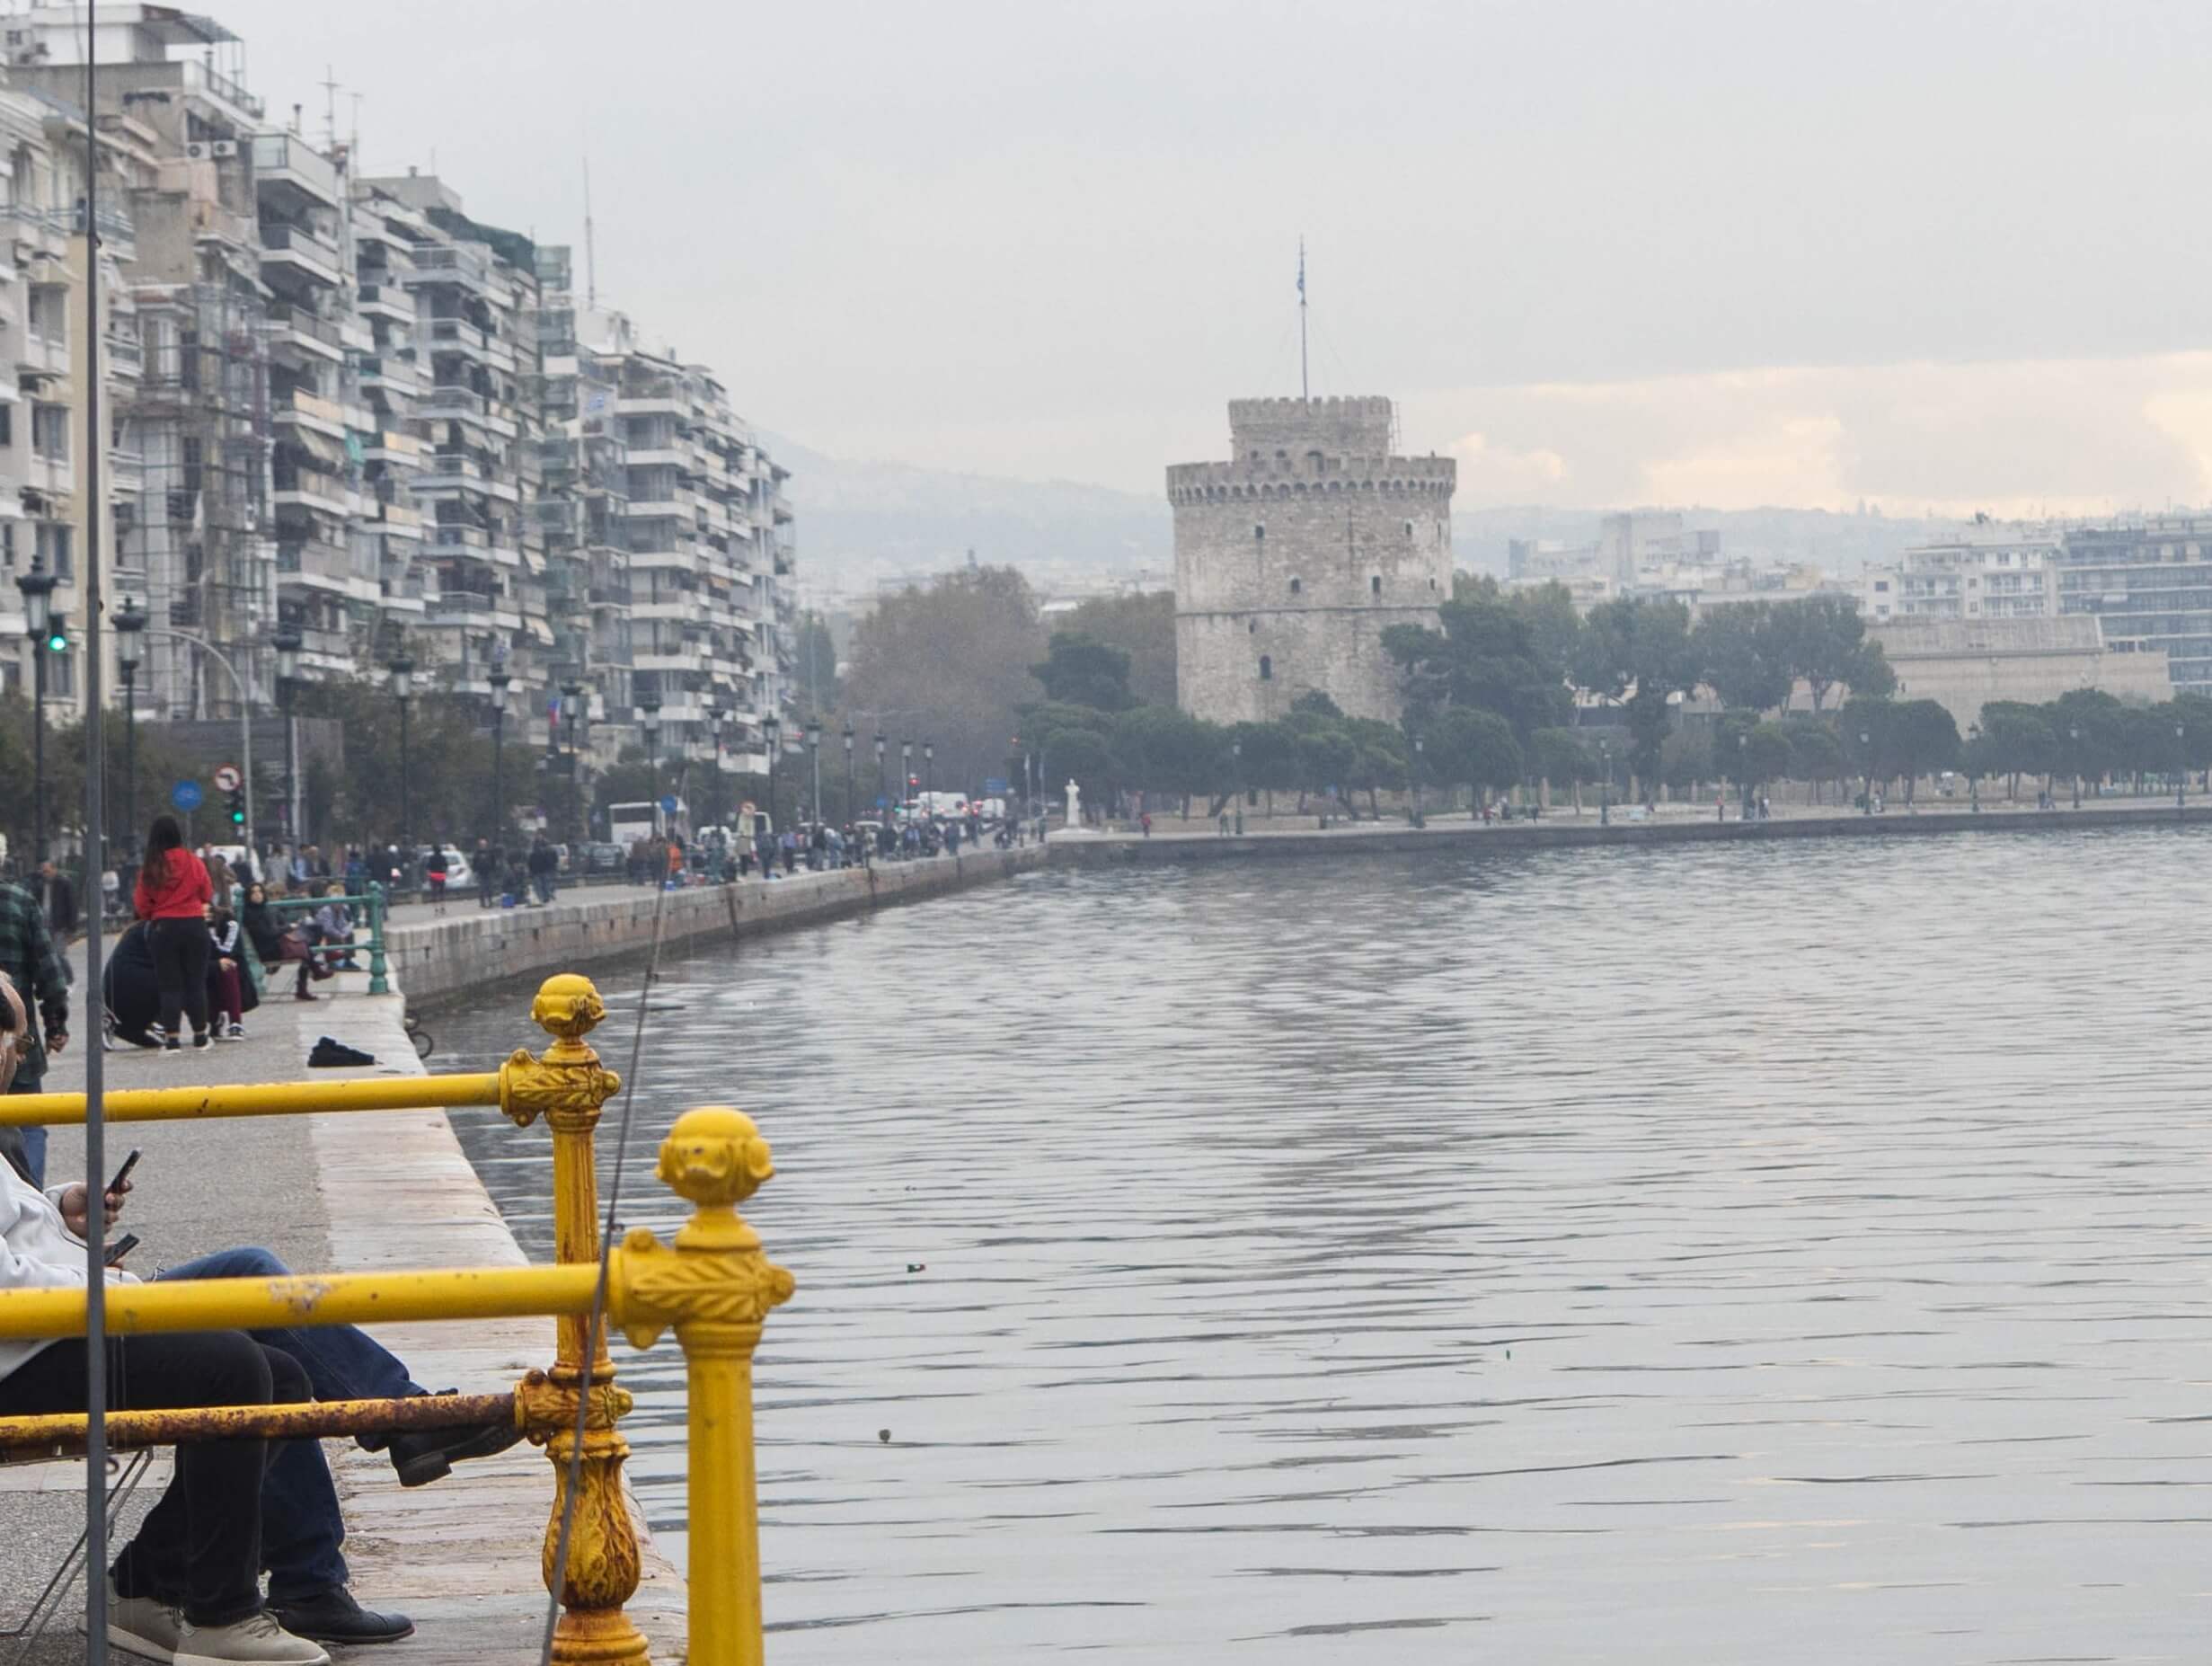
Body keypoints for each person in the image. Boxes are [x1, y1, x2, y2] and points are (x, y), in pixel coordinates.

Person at [0, 971, 526, 1661]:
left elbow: (14, 1233)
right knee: (242, 1365)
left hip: (61, 1318)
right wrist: (106, 1282)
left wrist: (63, 1208)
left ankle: (187, 1582)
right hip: (36, 1342)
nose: (15, 1047)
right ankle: (231, 1602)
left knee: (262, 1324)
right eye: (8, 1029)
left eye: (17, 1031)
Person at [0, 874, 68, 1186]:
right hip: (13, 1037)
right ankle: (32, 1197)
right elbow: (49, 971)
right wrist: (56, 1024)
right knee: (28, 1122)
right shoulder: (19, 901)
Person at [134, 815, 214, 1055]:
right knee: (196, 982)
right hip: (194, 925)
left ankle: (172, 1040)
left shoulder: (151, 865)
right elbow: (207, 892)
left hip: (164, 927)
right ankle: (200, 1036)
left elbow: (142, 903)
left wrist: (155, 913)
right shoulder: (193, 861)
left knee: (169, 985)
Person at [208, 901, 248, 1040]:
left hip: (226, 960)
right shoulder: (187, 922)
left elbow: (229, 950)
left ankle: (235, 1022)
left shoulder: (227, 920)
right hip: (201, 963)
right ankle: (213, 1018)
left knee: (227, 970)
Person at [37, 859, 76, 939]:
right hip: (43, 926)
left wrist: (71, 927)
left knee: (58, 951)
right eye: (43, 872)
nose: (45, 874)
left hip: (59, 927)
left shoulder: (64, 883)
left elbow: (72, 905)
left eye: (47, 871)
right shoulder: (40, 884)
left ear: (54, 870)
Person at [473, 837, 499, 908]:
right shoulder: (477, 853)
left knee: (489, 888)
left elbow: (493, 862)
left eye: (484, 844)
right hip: (481, 872)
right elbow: (474, 862)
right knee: (481, 888)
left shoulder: (490, 852)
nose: (483, 845)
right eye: (482, 844)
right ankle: (482, 903)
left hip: (489, 872)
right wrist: (475, 870)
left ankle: (490, 902)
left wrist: (493, 870)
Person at [424, 845, 449, 916]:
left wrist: (428, 875)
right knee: (442, 893)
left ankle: (436, 910)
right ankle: (443, 908)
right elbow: (446, 866)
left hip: (433, 876)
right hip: (441, 876)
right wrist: (444, 872)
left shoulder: (431, 858)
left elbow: (428, 867)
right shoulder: (443, 857)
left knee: (434, 893)